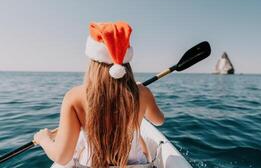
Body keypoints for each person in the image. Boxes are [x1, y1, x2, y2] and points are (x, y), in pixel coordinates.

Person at [33, 21, 165, 168]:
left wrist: (43, 139)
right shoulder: (142, 92)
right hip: (134, 165)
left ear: (93, 61)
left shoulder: (74, 96)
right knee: (140, 140)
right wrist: (142, 97)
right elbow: (159, 120)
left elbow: (62, 157)